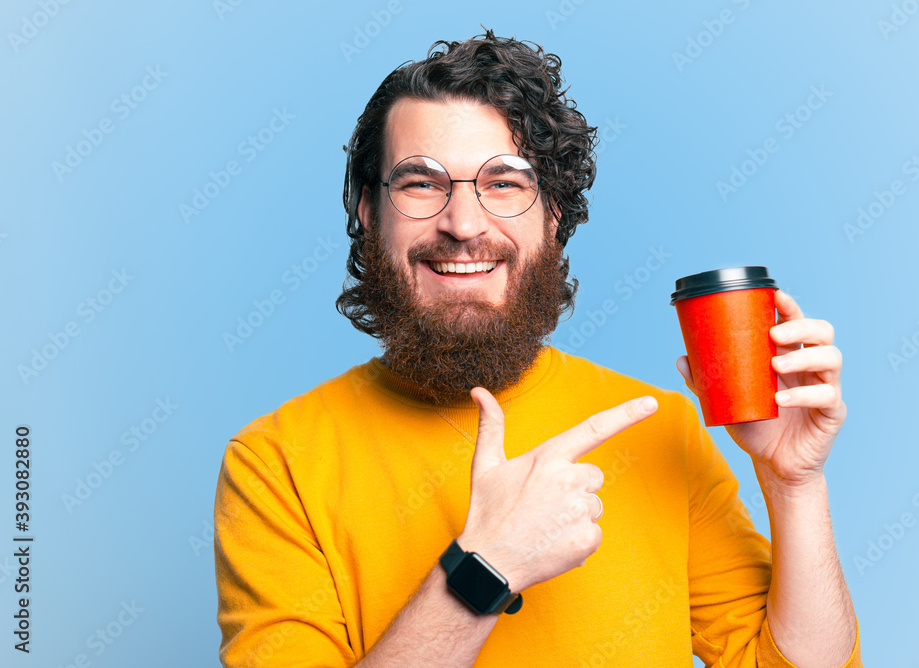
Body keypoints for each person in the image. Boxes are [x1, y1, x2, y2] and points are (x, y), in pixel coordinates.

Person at [214, 30, 863, 667]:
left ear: (553, 214)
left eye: (503, 184)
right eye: (419, 183)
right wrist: (485, 568)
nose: (463, 225)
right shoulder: (275, 465)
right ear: (366, 211)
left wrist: (793, 484)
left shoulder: (664, 432)